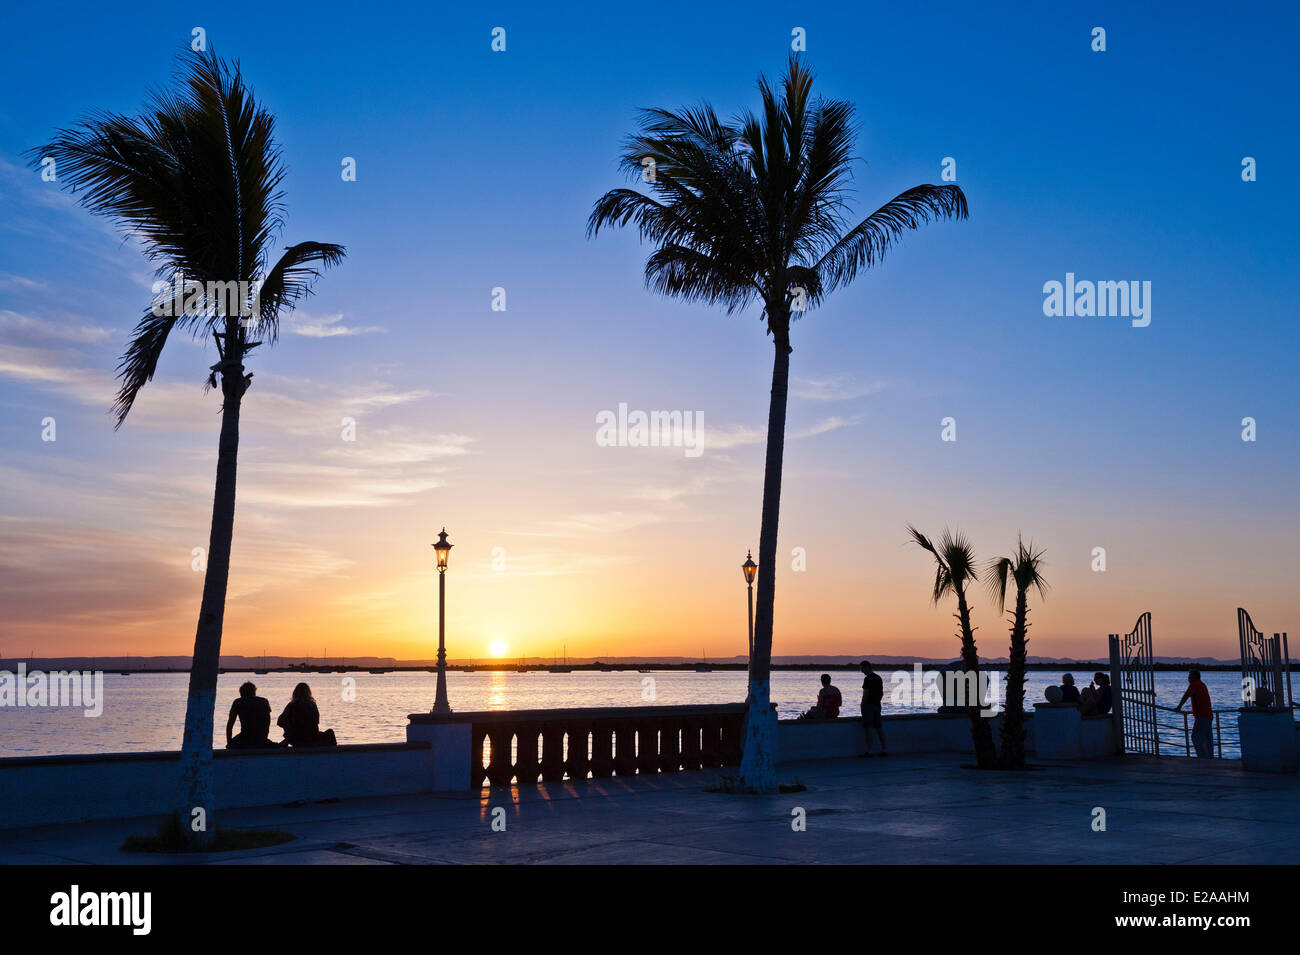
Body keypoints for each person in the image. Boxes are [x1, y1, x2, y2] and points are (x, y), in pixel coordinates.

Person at [277, 682, 337, 748]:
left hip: (296, 739)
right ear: (309, 693)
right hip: (312, 738)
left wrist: (289, 728)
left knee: (286, 720)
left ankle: (289, 739)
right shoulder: (312, 705)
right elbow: (316, 721)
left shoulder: (291, 705)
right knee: (330, 732)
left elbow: (280, 722)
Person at [226, 681, 279, 749]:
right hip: (262, 739)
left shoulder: (238, 702)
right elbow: (267, 721)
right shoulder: (264, 701)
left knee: (233, 743)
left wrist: (229, 743)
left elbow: (230, 725)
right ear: (254, 691)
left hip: (245, 738)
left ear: (241, 692)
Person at [1176, 670, 1214, 758]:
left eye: (1190, 676)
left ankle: (1203, 758)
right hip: (1209, 715)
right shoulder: (1202, 684)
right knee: (1207, 738)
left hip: (1202, 716)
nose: (1188, 678)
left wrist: (1179, 707)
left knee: (1195, 737)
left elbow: (1186, 695)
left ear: (1195, 677)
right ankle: (1210, 757)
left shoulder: (1194, 685)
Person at [858, 661, 888, 757]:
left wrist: (862, 705)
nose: (862, 671)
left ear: (867, 667)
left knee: (869, 728)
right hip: (877, 705)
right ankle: (884, 749)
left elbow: (865, 693)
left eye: (862, 669)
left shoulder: (868, 679)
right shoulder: (878, 678)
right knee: (879, 728)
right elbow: (881, 693)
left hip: (868, 706)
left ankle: (869, 751)